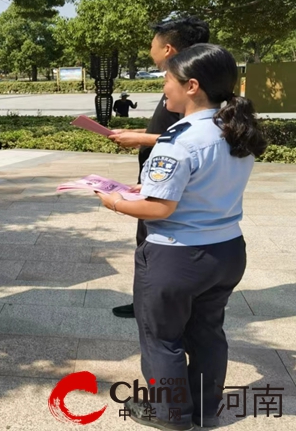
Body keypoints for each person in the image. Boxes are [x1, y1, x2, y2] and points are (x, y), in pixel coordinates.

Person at [96, 43, 267, 430]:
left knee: (162, 338)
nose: (163, 87)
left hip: (177, 257)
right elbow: (197, 186)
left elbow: (160, 209)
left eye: (167, 80)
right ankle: (205, 410)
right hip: (226, 251)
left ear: (191, 86)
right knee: (207, 332)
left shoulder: (178, 140)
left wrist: (114, 201)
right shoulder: (235, 130)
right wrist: (143, 192)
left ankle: (170, 413)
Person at [108, 17, 210, 319]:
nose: (166, 90)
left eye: (152, 44)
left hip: (168, 183)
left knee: (153, 241)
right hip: (159, 179)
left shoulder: (189, 86)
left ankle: (153, 304)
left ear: (167, 48)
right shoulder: (192, 80)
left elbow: (192, 135)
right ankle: (149, 300)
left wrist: (114, 200)